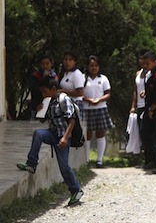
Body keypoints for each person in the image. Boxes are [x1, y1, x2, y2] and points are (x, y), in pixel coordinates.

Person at [17, 76, 84, 206]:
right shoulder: (49, 101)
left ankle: (76, 190)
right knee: (38, 134)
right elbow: (43, 120)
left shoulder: (64, 99)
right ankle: (32, 163)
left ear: (53, 89)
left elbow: (72, 120)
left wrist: (65, 138)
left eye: (44, 91)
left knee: (64, 167)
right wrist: (39, 111)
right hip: (53, 134)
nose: (43, 94)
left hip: (63, 137)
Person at [83, 55, 115, 168]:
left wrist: (99, 100)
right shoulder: (83, 78)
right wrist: (88, 100)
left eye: (96, 65)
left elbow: (108, 93)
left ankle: (99, 160)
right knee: (87, 134)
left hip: (101, 108)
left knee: (100, 133)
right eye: (91, 65)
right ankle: (86, 159)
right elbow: (79, 94)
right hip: (87, 109)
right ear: (87, 66)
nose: (93, 68)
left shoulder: (103, 79)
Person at [128, 50, 150, 162]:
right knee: (141, 132)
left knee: (147, 132)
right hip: (139, 105)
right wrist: (133, 106)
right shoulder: (138, 73)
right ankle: (145, 158)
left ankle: (151, 158)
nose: (142, 61)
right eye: (140, 58)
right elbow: (136, 91)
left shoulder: (150, 73)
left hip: (148, 105)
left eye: (144, 59)